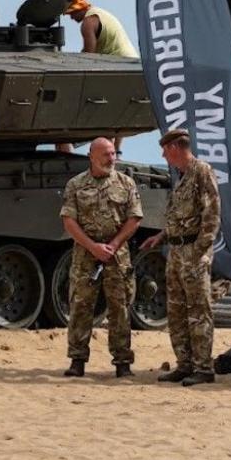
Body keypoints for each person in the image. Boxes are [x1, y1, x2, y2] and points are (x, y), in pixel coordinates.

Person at [138, 129, 222, 386]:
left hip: (192, 254)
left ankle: (203, 368)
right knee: (175, 312)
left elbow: (211, 217)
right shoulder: (183, 177)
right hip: (175, 253)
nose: (163, 155)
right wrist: (161, 237)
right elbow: (182, 218)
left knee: (198, 312)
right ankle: (184, 365)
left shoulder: (202, 172)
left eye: (165, 150)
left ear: (175, 147)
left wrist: (199, 254)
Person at [60, 136, 143, 378]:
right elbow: (68, 220)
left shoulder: (126, 183)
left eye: (113, 153)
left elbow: (135, 218)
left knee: (120, 308)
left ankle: (122, 362)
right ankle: (77, 360)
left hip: (117, 256)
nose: (111, 158)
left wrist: (113, 245)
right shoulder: (76, 185)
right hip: (86, 255)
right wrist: (93, 246)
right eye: (106, 154)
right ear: (92, 156)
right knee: (80, 306)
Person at [57, 0, 140, 155]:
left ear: (80, 9)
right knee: (118, 110)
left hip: (116, 66)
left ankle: (107, 149)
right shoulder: (100, 13)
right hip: (131, 63)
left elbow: (90, 57)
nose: (72, 18)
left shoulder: (88, 23)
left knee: (106, 109)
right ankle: (115, 151)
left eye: (72, 14)